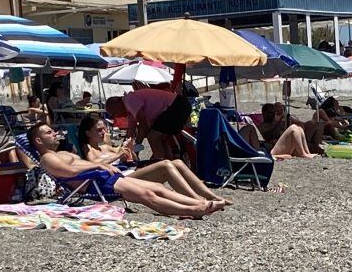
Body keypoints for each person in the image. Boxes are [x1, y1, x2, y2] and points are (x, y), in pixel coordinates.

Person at [29, 123, 223, 218]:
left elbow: (74, 165)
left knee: (157, 186)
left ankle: (201, 202)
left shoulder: (61, 152)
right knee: (147, 194)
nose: (55, 133)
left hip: (103, 176)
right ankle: (193, 210)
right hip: (95, 182)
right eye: (48, 132)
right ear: (38, 141)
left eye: (53, 131)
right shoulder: (47, 158)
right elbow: (69, 172)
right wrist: (97, 165)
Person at [77, 114, 232, 204]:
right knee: (165, 164)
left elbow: (130, 160)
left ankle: (211, 196)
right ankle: (198, 200)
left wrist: (128, 152)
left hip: (131, 172)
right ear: (87, 133)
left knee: (177, 162)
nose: (104, 133)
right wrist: (118, 154)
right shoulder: (88, 149)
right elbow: (93, 164)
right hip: (121, 180)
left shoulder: (105, 147)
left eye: (104, 129)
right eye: (99, 130)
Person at [106, 89, 192, 161]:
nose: (117, 116)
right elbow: (130, 134)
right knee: (160, 138)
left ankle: (160, 163)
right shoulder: (130, 111)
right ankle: (165, 162)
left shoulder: (129, 100)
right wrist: (123, 148)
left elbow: (143, 125)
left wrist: (137, 146)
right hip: (177, 106)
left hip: (177, 105)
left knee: (153, 136)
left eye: (114, 113)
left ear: (116, 103)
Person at [238, 104, 317, 159]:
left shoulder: (254, 143)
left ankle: (307, 152)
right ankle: (303, 154)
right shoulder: (262, 126)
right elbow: (267, 156)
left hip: (273, 148)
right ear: (264, 113)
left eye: (273, 113)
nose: (271, 115)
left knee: (298, 128)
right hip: (273, 152)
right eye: (269, 113)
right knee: (293, 129)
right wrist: (282, 156)